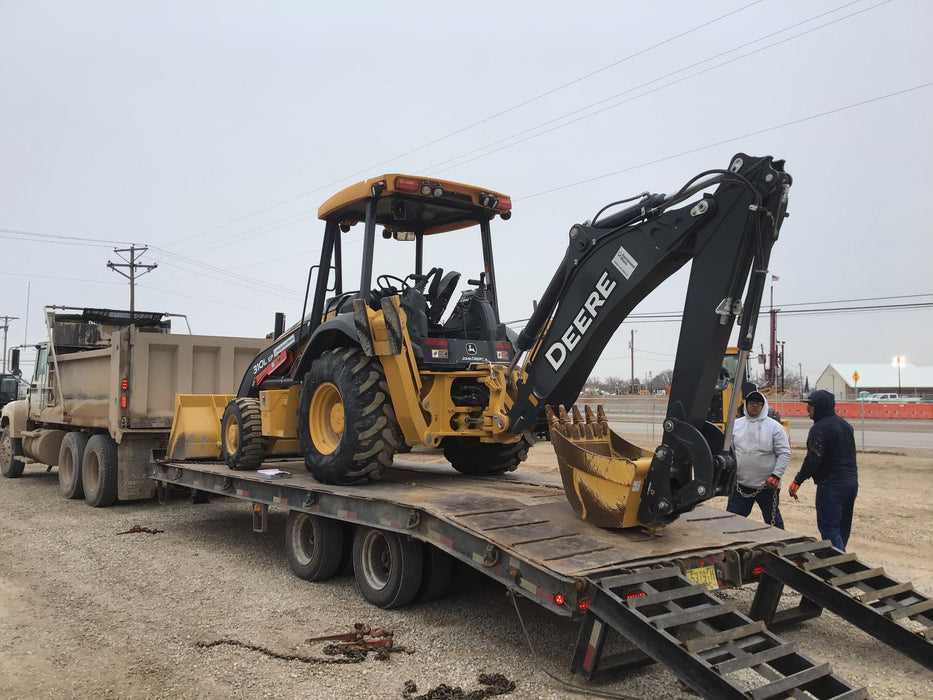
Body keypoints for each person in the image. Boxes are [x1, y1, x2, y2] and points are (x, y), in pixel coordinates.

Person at [788, 389, 859, 551]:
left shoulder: (819, 429)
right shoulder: (846, 426)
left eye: (811, 405)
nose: (807, 408)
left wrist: (798, 480)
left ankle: (840, 560)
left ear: (820, 406)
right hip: (851, 483)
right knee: (842, 528)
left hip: (831, 485)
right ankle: (840, 555)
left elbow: (813, 459)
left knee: (830, 529)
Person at [727, 390, 790, 528]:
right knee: (732, 521)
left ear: (764, 406)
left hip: (767, 486)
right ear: (746, 405)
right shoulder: (735, 425)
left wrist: (776, 475)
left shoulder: (775, 427)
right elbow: (729, 451)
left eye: (758, 403)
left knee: (773, 522)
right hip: (740, 485)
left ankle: (779, 540)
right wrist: (730, 470)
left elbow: (784, 453)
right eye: (751, 403)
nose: (755, 405)